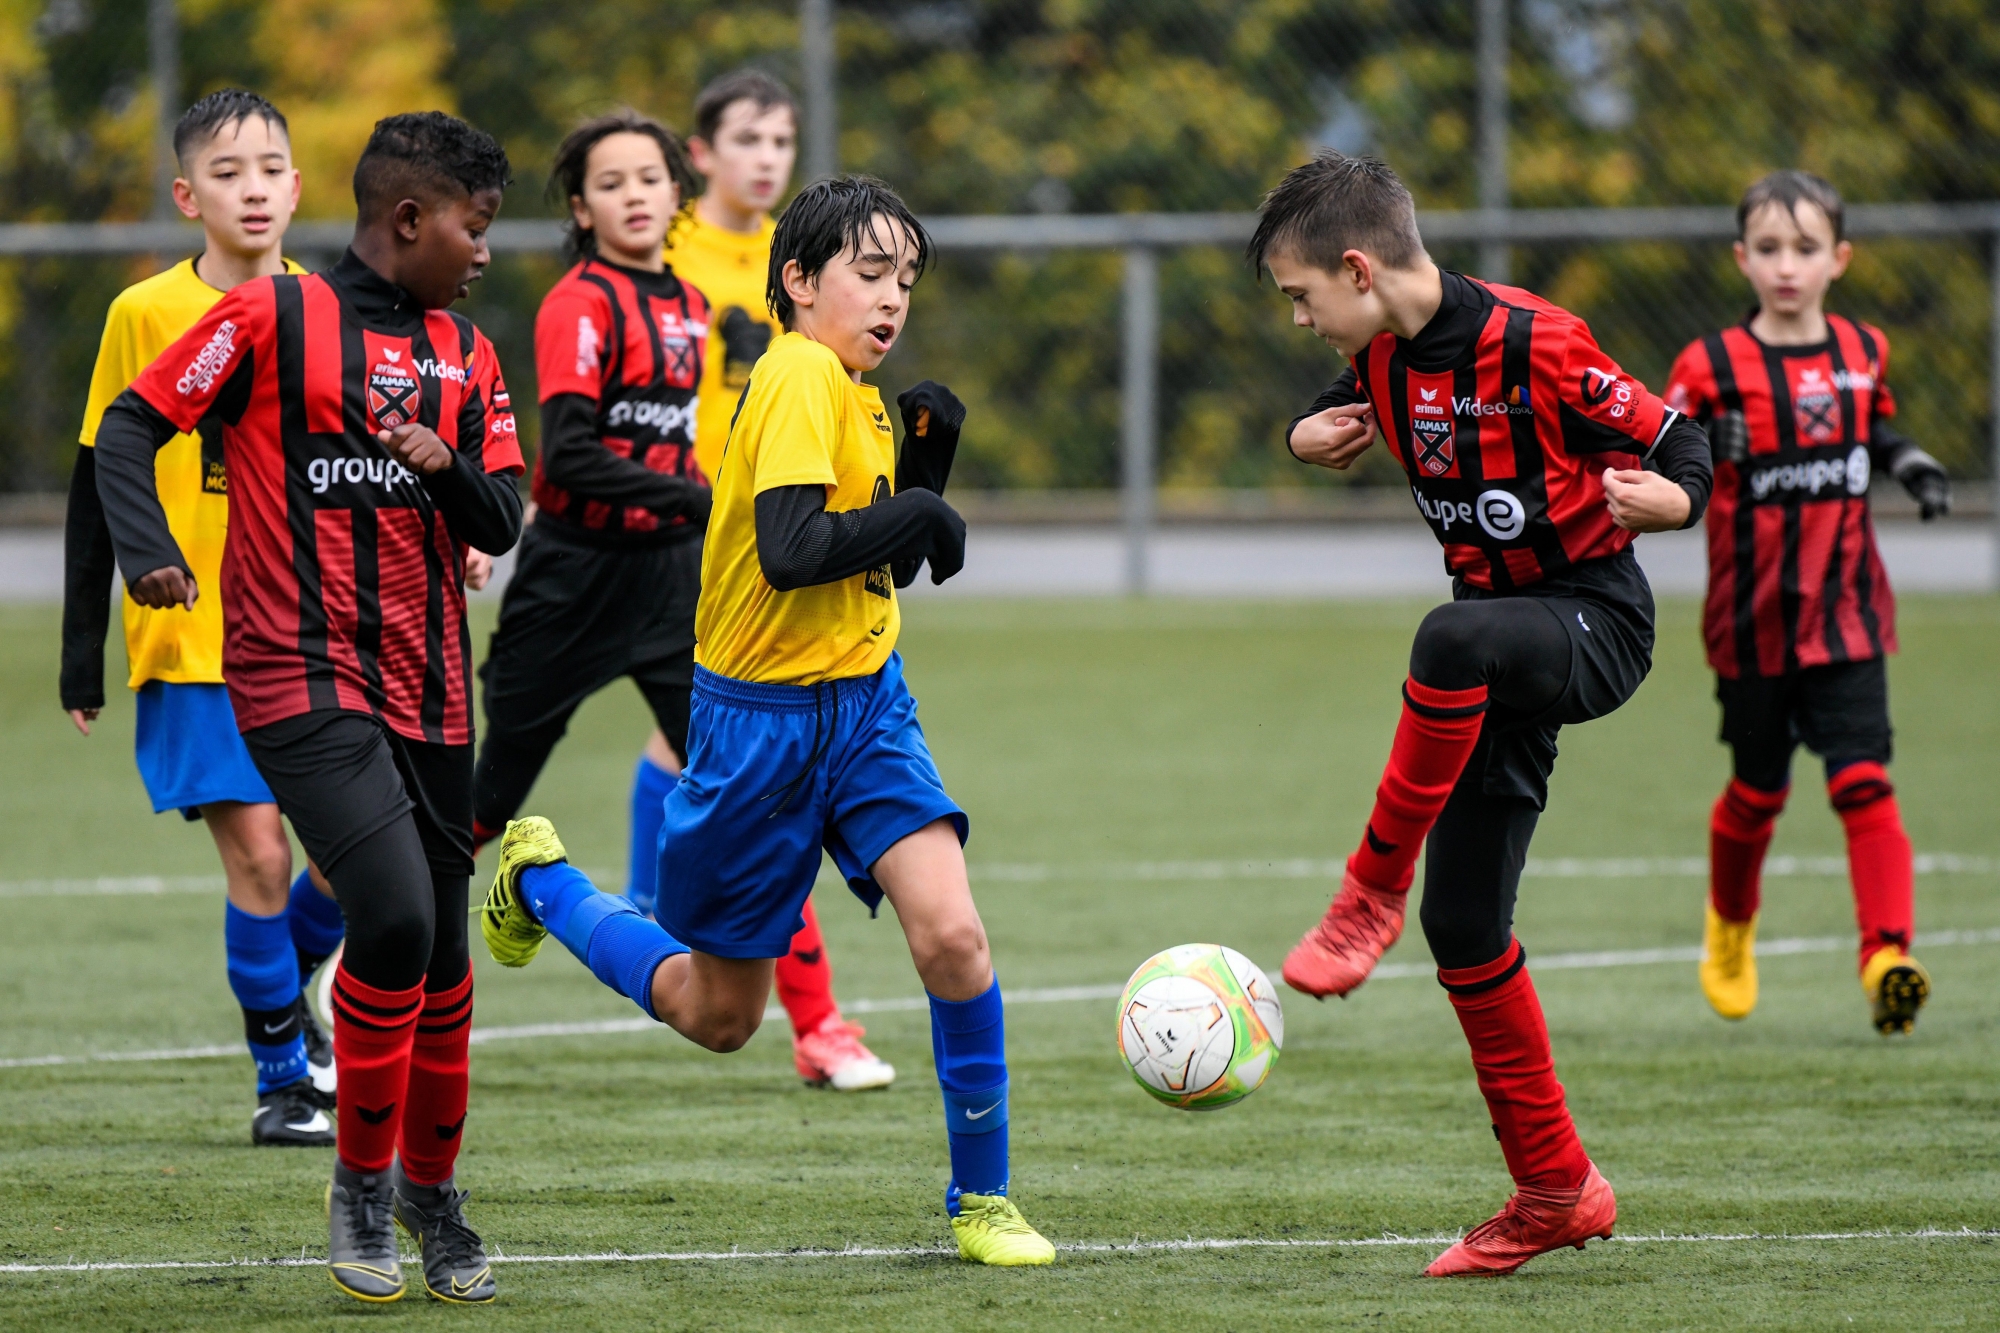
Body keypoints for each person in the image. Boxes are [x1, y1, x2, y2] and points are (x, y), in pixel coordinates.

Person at [479, 175, 1055, 1266]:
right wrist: (921, 507)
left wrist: (920, 468)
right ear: (796, 280)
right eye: (869, 273)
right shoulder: (793, 372)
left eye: (907, 280)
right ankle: (541, 880)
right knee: (720, 1015)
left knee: (954, 937)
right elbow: (793, 554)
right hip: (755, 728)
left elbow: (874, 557)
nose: (892, 299)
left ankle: (983, 1200)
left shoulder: (851, 389)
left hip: (867, 708)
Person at [1255, 152, 1712, 1276]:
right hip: (1491, 664)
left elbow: (1680, 442)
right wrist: (1300, 436)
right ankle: (1555, 1188)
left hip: (1592, 623)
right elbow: (1325, 413)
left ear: (1357, 271)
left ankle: (1364, 892)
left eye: (1300, 295)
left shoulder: (1534, 340)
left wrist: (1674, 499)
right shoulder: (1377, 356)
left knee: (1447, 634)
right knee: (1464, 927)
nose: (1301, 318)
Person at [93, 110, 523, 1305]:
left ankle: (435, 1195)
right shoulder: (269, 318)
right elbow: (132, 426)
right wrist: (145, 553)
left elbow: (502, 519)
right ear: (404, 219)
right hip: (294, 673)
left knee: (440, 956)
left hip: (435, 686)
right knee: (386, 916)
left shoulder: (468, 354)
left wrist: (451, 469)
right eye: (469, 228)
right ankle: (361, 1187)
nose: (482, 251)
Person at [61, 88, 346, 1148]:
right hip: (192, 641)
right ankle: (282, 1076)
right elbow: (99, 473)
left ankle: (294, 979)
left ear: (298, 185)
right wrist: (79, 652)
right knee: (260, 860)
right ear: (188, 196)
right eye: (227, 174)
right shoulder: (142, 312)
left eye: (270, 167)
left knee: (360, 857)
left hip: (318, 631)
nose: (254, 188)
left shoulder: (330, 307)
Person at [619, 70, 894, 1092]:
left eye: (783, 138)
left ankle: (799, 1009)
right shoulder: (670, 253)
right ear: (701, 155)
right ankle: (371, 933)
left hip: (743, 531)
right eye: (747, 138)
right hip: (672, 528)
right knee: (744, 754)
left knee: (721, 747)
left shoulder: (814, 258)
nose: (768, 156)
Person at [1663, 171, 1948, 1035]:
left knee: (1864, 781)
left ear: (1840, 259)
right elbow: (1664, 455)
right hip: (1752, 624)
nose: (1789, 266)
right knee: (1757, 792)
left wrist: (1912, 464)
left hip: (1849, 611)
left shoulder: (1863, 349)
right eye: (1771, 249)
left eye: (1808, 248)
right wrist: (1708, 448)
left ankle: (1886, 958)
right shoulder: (1707, 365)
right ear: (1742, 258)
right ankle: (1732, 928)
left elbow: (1878, 428)